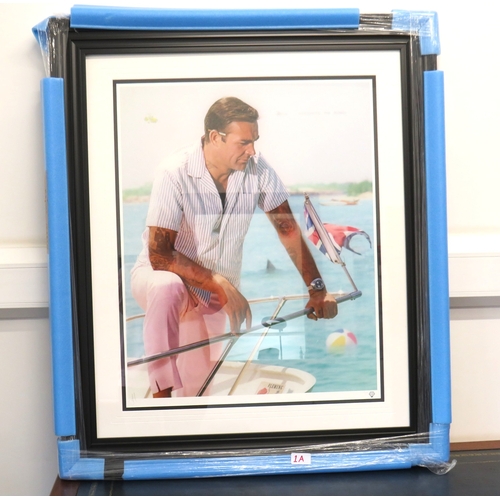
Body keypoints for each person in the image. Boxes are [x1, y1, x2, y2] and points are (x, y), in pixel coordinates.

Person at [130, 97, 338, 398]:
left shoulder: (258, 169)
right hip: (160, 279)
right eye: (244, 142)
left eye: (254, 141)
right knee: (168, 287)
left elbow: (288, 229)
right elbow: (160, 255)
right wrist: (220, 283)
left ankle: (183, 410)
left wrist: (317, 289)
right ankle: (160, 402)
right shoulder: (174, 171)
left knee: (197, 393)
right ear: (215, 137)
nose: (252, 150)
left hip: (212, 298)